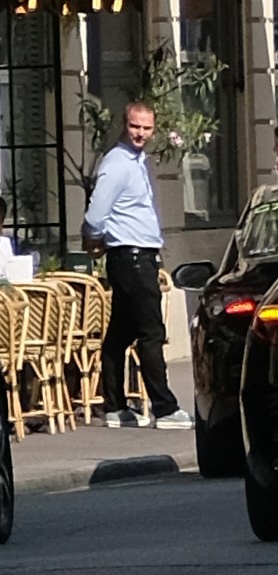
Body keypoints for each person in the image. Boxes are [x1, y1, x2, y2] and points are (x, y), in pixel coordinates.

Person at [87, 100, 177, 426]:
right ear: (124, 125)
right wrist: (92, 237)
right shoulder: (118, 163)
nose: (140, 133)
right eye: (135, 126)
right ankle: (166, 409)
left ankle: (115, 407)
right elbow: (96, 212)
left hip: (137, 256)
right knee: (151, 332)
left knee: (120, 335)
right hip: (133, 256)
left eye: (146, 128)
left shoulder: (138, 160)